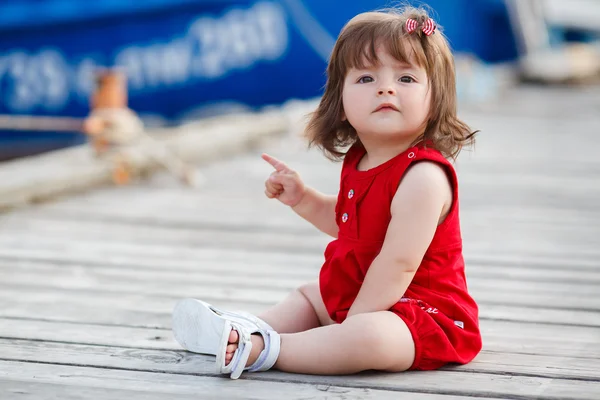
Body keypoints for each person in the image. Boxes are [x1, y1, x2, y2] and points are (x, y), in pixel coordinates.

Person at [172, 5, 482, 379]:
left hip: (424, 312)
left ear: (436, 99)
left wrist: (351, 324)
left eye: (406, 79)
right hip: (363, 290)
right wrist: (303, 199)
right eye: (366, 79)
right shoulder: (361, 159)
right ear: (340, 99)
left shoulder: (424, 177)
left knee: (368, 337)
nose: (385, 87)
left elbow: (398, 263)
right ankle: (245, 327)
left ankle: (266, 348)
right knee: (309, 296)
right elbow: (352, 225)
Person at [83, 69, 194, 186]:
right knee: (125, 161)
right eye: (112, 90)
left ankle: (183, 172)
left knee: (159, 152)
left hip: (138, 142)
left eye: (118, 89)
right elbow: (94, 128)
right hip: (117, 150)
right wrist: (96, 127)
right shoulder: (101, 116)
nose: (118, 93)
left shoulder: (123, 113)